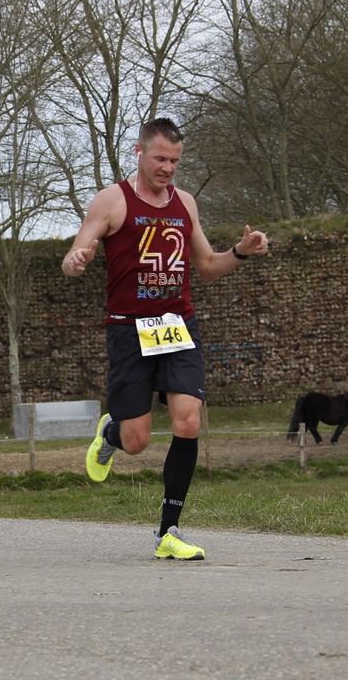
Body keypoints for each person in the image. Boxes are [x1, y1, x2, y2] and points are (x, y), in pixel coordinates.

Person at [61, 118, 269, 560]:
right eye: (160, 158)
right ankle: (111, 434)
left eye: (175, 161)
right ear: (139, 152)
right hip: (129, 330)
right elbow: (73, 256)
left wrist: (240, 253)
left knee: (188, 421)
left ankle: (168, 532)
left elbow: (206, 266)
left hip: (178, 326)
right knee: (136, 442)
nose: (168, 168)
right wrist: (77, 260)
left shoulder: (185, 203)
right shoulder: (112, 201)